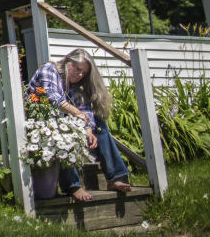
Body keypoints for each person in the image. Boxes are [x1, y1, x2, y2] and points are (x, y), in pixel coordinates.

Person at [27, 48, 132, 201]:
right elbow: (51, 96)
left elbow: (84, 108)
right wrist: (77, 114)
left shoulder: (75, 84)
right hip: (39, 122)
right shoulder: (49, 69)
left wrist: (89, 129)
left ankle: (116, 177)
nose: (80, 74)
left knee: (99, 124)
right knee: (64, 127)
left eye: (83, 73)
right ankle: (73, 185)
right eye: (77, 69)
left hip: (61, 121)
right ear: (67, 61)